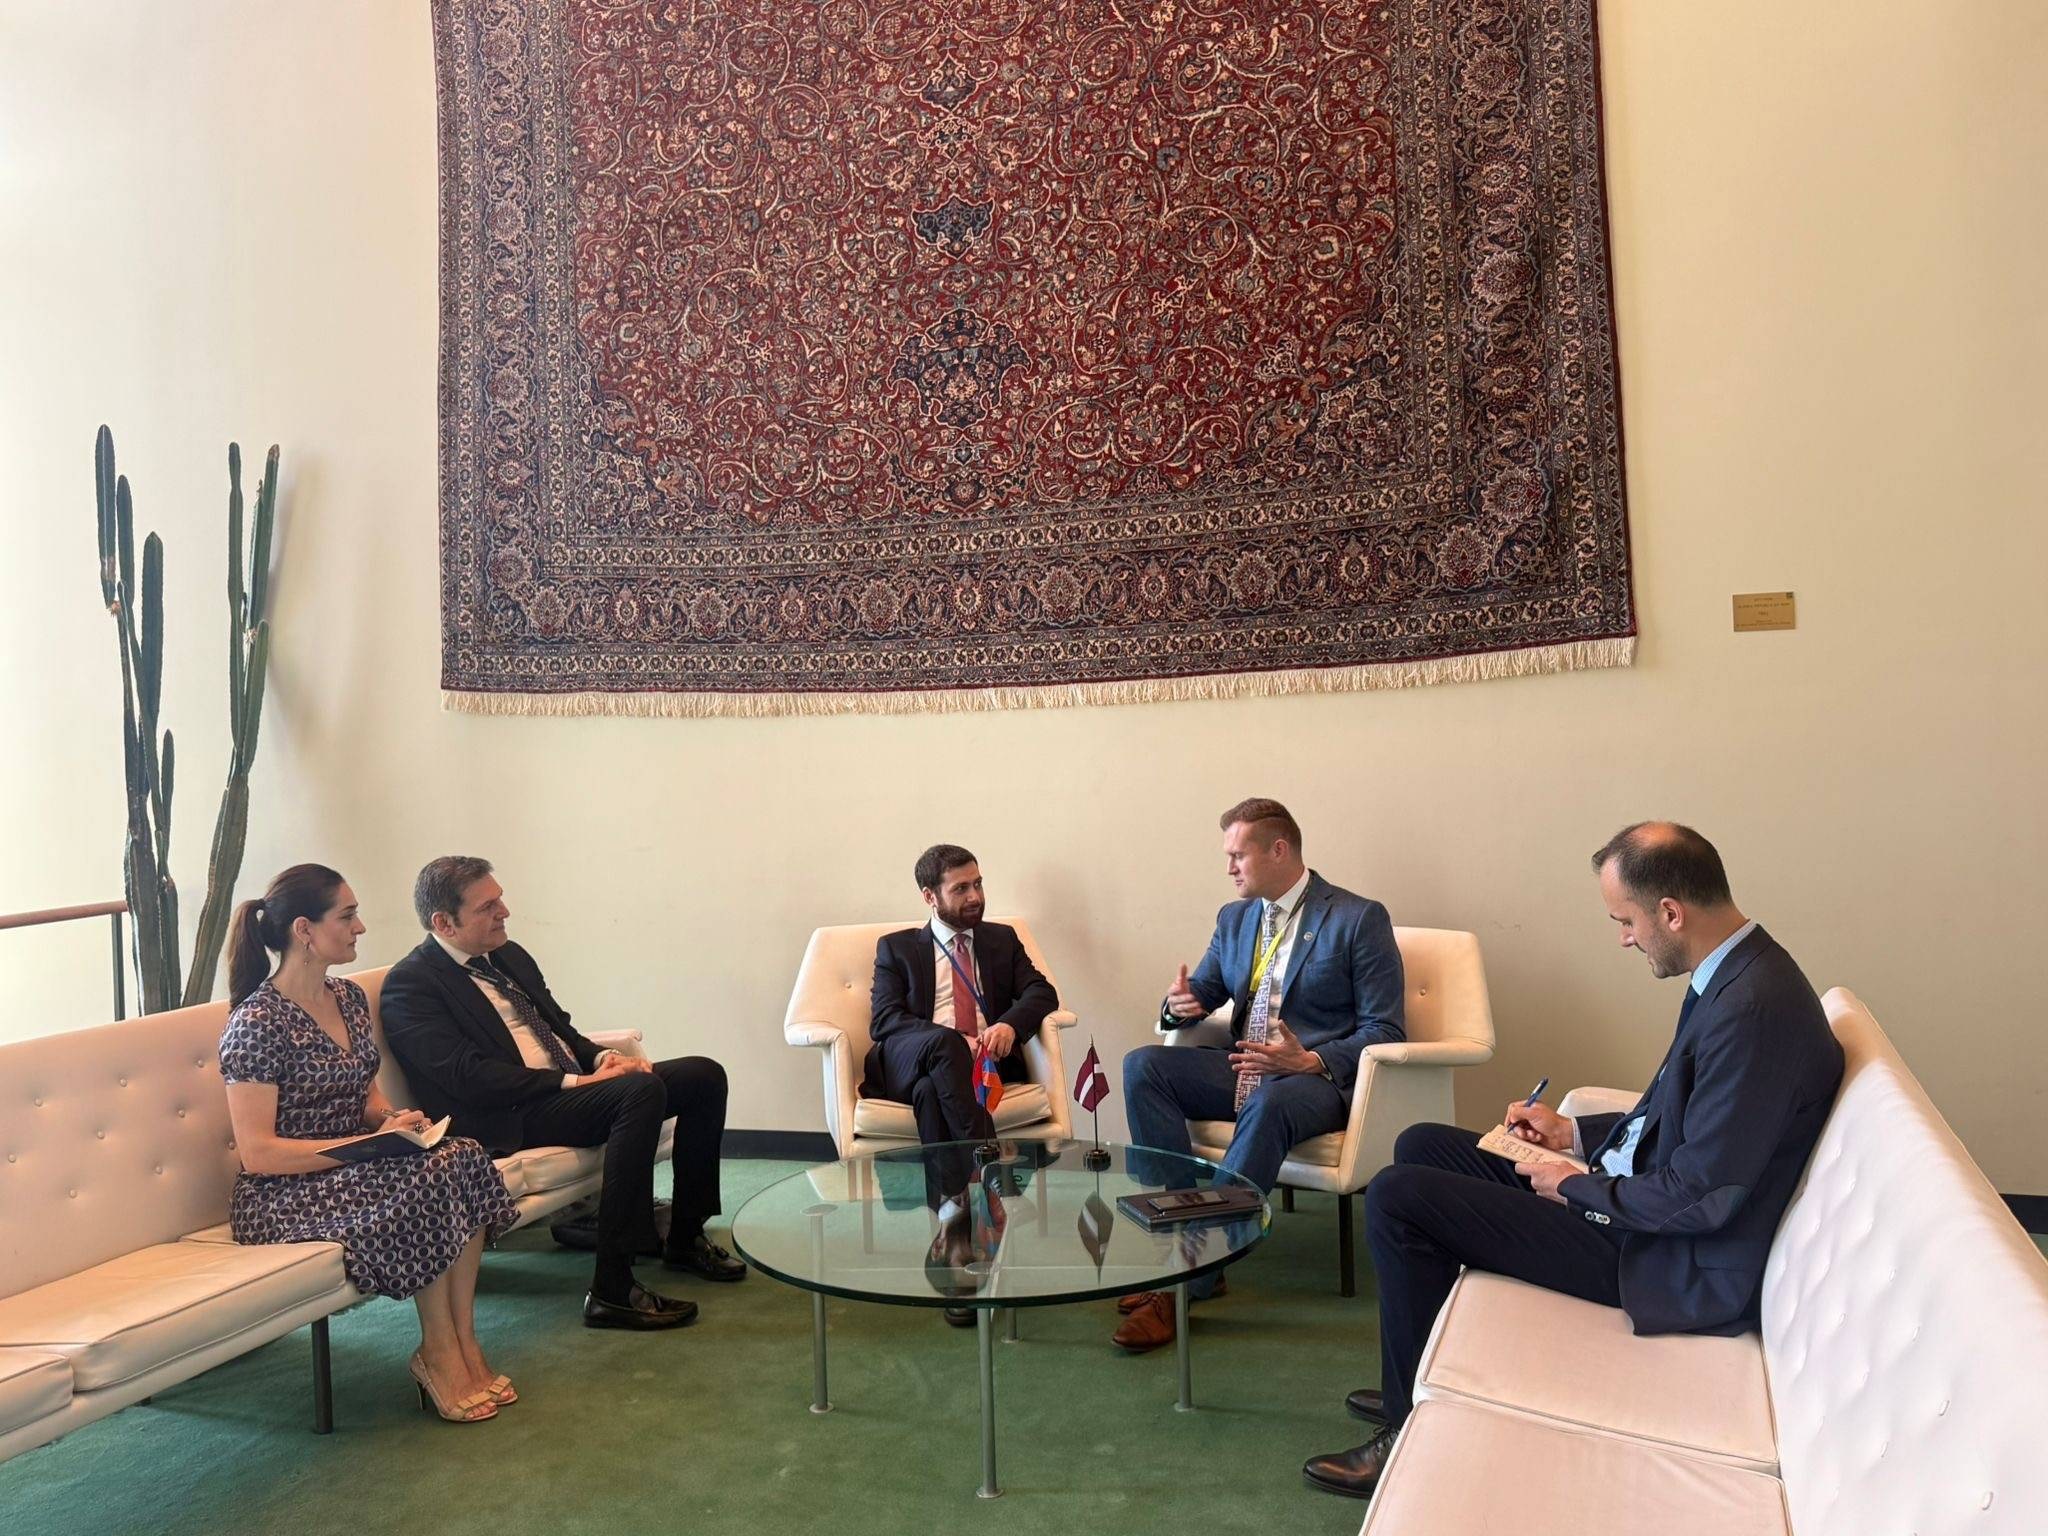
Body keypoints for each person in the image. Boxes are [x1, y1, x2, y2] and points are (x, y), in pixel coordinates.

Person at [1302, 822, 1845, 1499]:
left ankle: (1404, 1429)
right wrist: (1572, 1136)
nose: (1624, 938)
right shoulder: (1735, 972)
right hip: (1640, 1207)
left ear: (1670, 912)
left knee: (1397, 1197)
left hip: (1665, 1256)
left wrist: (1577, 1187)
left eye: (1626, 921)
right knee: (1421, 1144)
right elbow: (1679, 1116)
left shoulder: (1753, 1010)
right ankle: (1409, 1376)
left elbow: (1703, 1196)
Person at [379, 856, 743, 1333]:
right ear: (444, 923)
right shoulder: (411, 984)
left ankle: (684, 1235)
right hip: (506, 1115)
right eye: (487, 907)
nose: (505, 912)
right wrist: (576, 1083)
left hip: (564, 1093)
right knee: (639, 1093)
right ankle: (612, 1288)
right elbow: (469, 1078)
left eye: (500, 899)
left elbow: (560, 1030)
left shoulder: (507, 956)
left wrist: (602, 1059)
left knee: (703, 1075)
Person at [217, 864, 520, 1424]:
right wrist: (363, 1145)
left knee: (463, 1154)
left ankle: (463, 1341)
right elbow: (258, 1153)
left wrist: (392, 1119)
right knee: (430, 1175)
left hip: (354, 1168)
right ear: (305, 930)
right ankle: (438, 1352)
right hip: (282, 1195)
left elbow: (366, 1095)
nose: (360, 927)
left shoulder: (348, 997)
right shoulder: (256, 1023)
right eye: (348, 916)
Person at [1115, 797, 1405, 1352]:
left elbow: (1385, 1028)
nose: (1229, 867)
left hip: (1312, 1081)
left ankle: (1186, 1278)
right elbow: (1203, 993)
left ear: (1278, 850)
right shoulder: (1236, 918)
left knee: (1268, 1102)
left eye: (1237, 855)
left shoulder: (1357, 918)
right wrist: (1178, 1006)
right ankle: (1179, 1237)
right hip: (1245, 1067)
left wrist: (1310, 1060)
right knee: (1143, 1066)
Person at [867, 844, 1058, 1324]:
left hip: (973, 1072)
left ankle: (954, 1225)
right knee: (943, 1046)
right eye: (961, 888)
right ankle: (992, 1173)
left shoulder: (1001, 940)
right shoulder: (897, 948)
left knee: (933, 1093)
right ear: (930, 896)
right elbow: (885, 1020)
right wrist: (951, 1041)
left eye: (978, 884)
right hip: (912, 1059)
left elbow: (1042, 991)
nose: (975, 896)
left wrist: (1009, 1024)